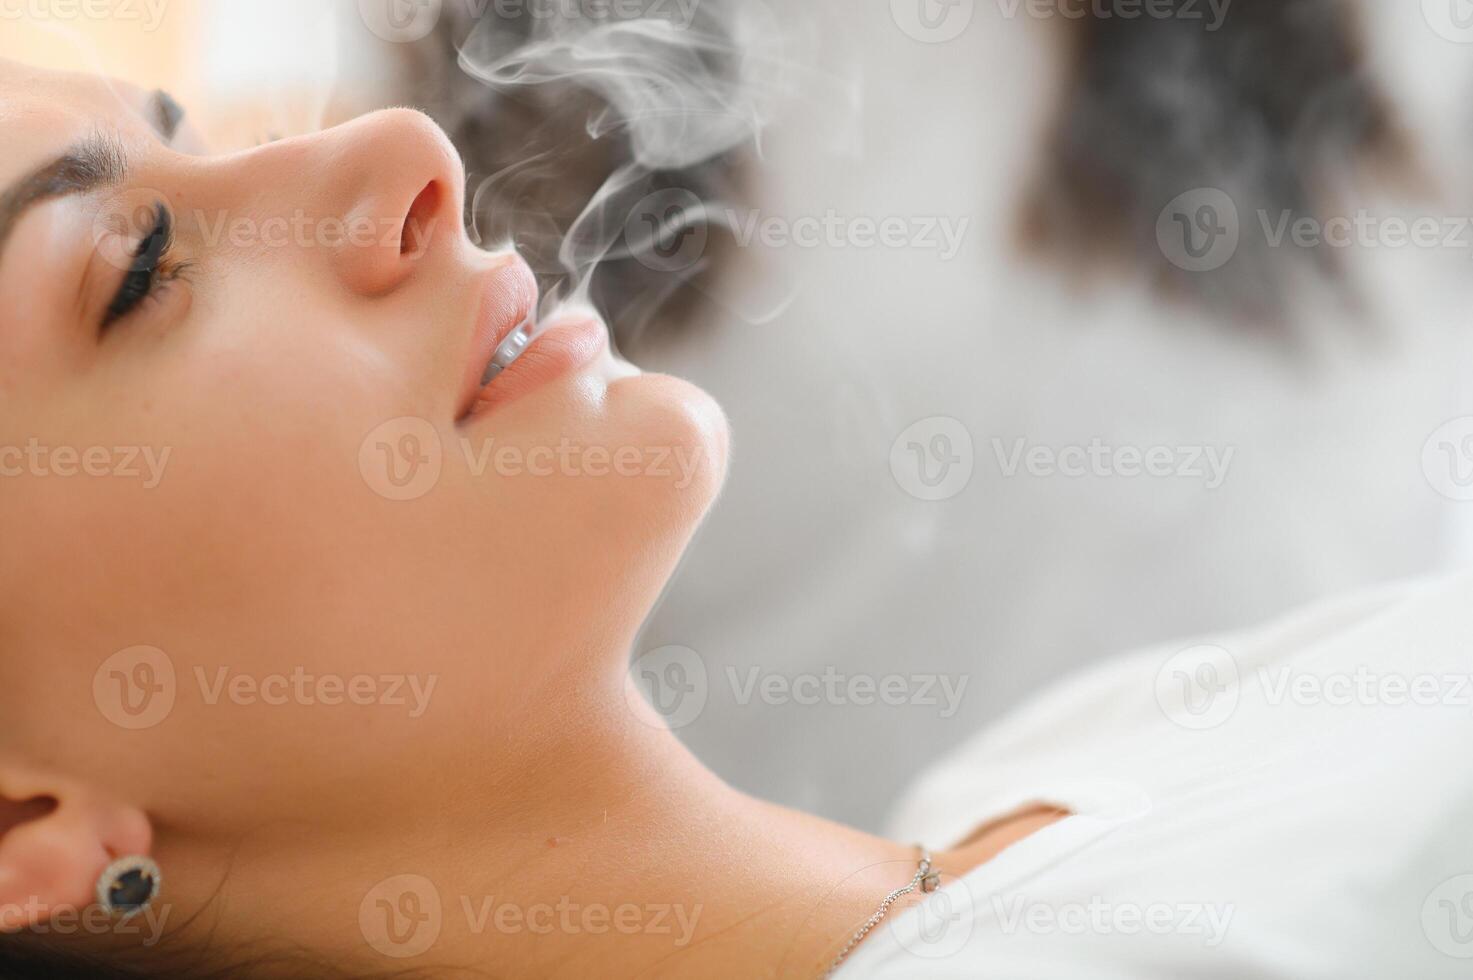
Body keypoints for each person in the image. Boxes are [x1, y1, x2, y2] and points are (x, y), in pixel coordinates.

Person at [0, 57, 1467, 980]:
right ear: (22, 819)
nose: (400, 153)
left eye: (187, 132)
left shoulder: (1071, 758)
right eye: (135, 272)